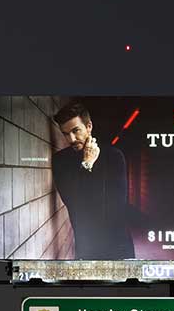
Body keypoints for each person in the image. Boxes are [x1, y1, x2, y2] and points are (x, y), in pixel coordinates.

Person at [51, 102, 135, 259]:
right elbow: (73, 201)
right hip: (87, 249)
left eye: (76, 130)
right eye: (65, 133)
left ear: (88, 126)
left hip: (118, 247)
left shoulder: (114, 156)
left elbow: (117, 207)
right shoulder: (60, 161)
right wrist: (87, 164)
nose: (72, 139)